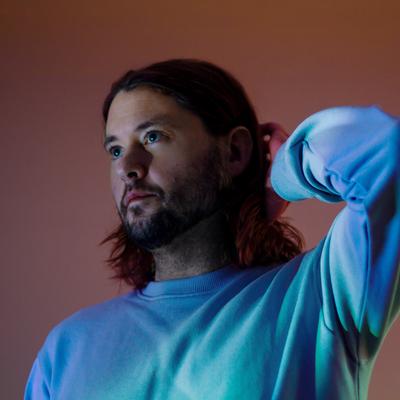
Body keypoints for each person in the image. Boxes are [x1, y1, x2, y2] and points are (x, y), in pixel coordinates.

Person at [24, 59, 399, 399]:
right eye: (116, 150)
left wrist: (286, 171)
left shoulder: (322, 296)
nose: (127, 168)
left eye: (153, 136)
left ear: (234, 152)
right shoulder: (66, 350)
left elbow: (387, 151)